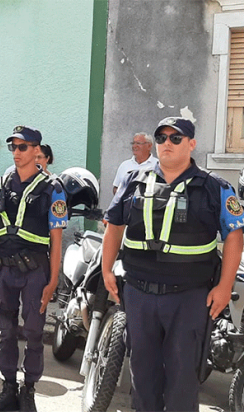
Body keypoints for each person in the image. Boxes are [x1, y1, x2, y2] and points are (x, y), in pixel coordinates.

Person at [102, 117, 244, 412]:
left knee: (182, 380)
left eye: (175, 138)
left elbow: (235, 235)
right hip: (140, 294)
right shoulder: (135, 180)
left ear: (191, 144)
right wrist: (106, 270)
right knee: (142, 377)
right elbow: (113, 225)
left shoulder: (214, 187)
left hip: (189, 297)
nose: (167, 143)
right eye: (162, 138)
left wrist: (224, 287)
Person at [0, 126, 67, 412]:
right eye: (13, 147)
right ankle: (7, 388)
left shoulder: (53, 189)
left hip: (35, 271)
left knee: (33, 333)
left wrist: (53, 280)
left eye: (22, 147)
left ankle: (28, 390)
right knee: (5, 333)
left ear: (36, 150)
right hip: (3, 269)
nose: (16, 153)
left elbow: (56, 240)